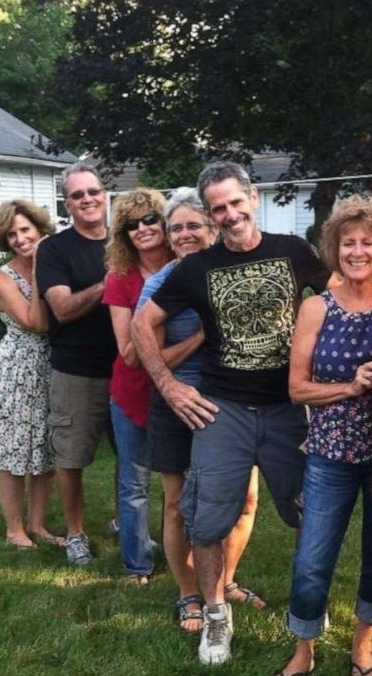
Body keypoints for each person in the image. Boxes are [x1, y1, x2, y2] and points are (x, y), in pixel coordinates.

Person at [132, 161, 330, 665]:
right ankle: (216, 616)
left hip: (288, 408)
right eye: (217, 208)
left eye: (235, 203)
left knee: (308, 510)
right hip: (225, 411)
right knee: (207, 519)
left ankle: (310, 599)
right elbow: (142, 324)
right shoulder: (195, 268)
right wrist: (169, 385)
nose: (229, 215)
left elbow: (338, 301)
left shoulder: (294, 252)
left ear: (253, 198)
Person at [270, 195, 372, 676]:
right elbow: (297, 389)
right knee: (312, 557)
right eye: (348, 242)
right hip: (328, 453)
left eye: (367, 242)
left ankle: (362, 642)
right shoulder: (314, 307)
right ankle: (303, 648)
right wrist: (351, 386)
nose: (357, 251)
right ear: (334, 248)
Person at [136, 187, 264, 630]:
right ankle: (189, 594)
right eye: (177, 228)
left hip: (232, 402)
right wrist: (200, 340)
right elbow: (139, 355)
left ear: (211, 227)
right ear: (168, 237)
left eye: (194, 225)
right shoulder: (161, 284)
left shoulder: (236, 272)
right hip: (176, 402)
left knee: (245, 501)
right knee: (177, 506)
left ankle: (224, 582)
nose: (186, 234)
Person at [36, 162, 117, 566]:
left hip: (126, 368)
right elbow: (63, 309)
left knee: (133, 457)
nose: (87, 199)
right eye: (77, 195)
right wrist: (110, 282)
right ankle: (76, 534)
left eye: (93, 191)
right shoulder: (54, 249)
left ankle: (127, 521)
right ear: (67, 203)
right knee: (70, 458)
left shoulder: (126, 240)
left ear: (105, 195)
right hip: (76, 371)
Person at [0, 200, 63, 549]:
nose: (20, 239)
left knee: (45, 450)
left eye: (25, 230)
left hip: (52, 365)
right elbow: (35, 322)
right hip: (16, 367)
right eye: (12, 234)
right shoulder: (1, 276)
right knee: (12, 451)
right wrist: (43, 267)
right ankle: (14, 530)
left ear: (40, 229)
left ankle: (38, 525)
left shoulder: (54, 265)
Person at [103, 188, 174, 583]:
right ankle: (137, 563)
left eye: (150, 219)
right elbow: (129, 353)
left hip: (179, 390)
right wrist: (159, 314)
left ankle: (176, 549)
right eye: (132, 225)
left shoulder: (186, 266)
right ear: (123, 235)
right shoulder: (121, 279)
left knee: (179, 484)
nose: (143, 228)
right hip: (131, 393)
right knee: (135, 484)